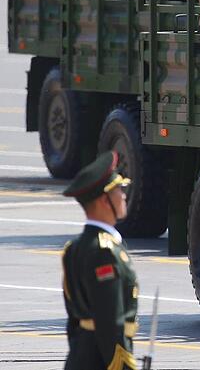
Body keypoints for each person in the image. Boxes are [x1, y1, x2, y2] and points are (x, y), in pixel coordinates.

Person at [60, 151, 138, 370]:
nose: (123, 195)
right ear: (105, 200)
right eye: (119, 190)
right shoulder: (104, 252)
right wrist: (123, 366)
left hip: (82, 356)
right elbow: (110, 323)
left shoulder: (74, 249)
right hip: (102, 360)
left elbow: (73, 322)